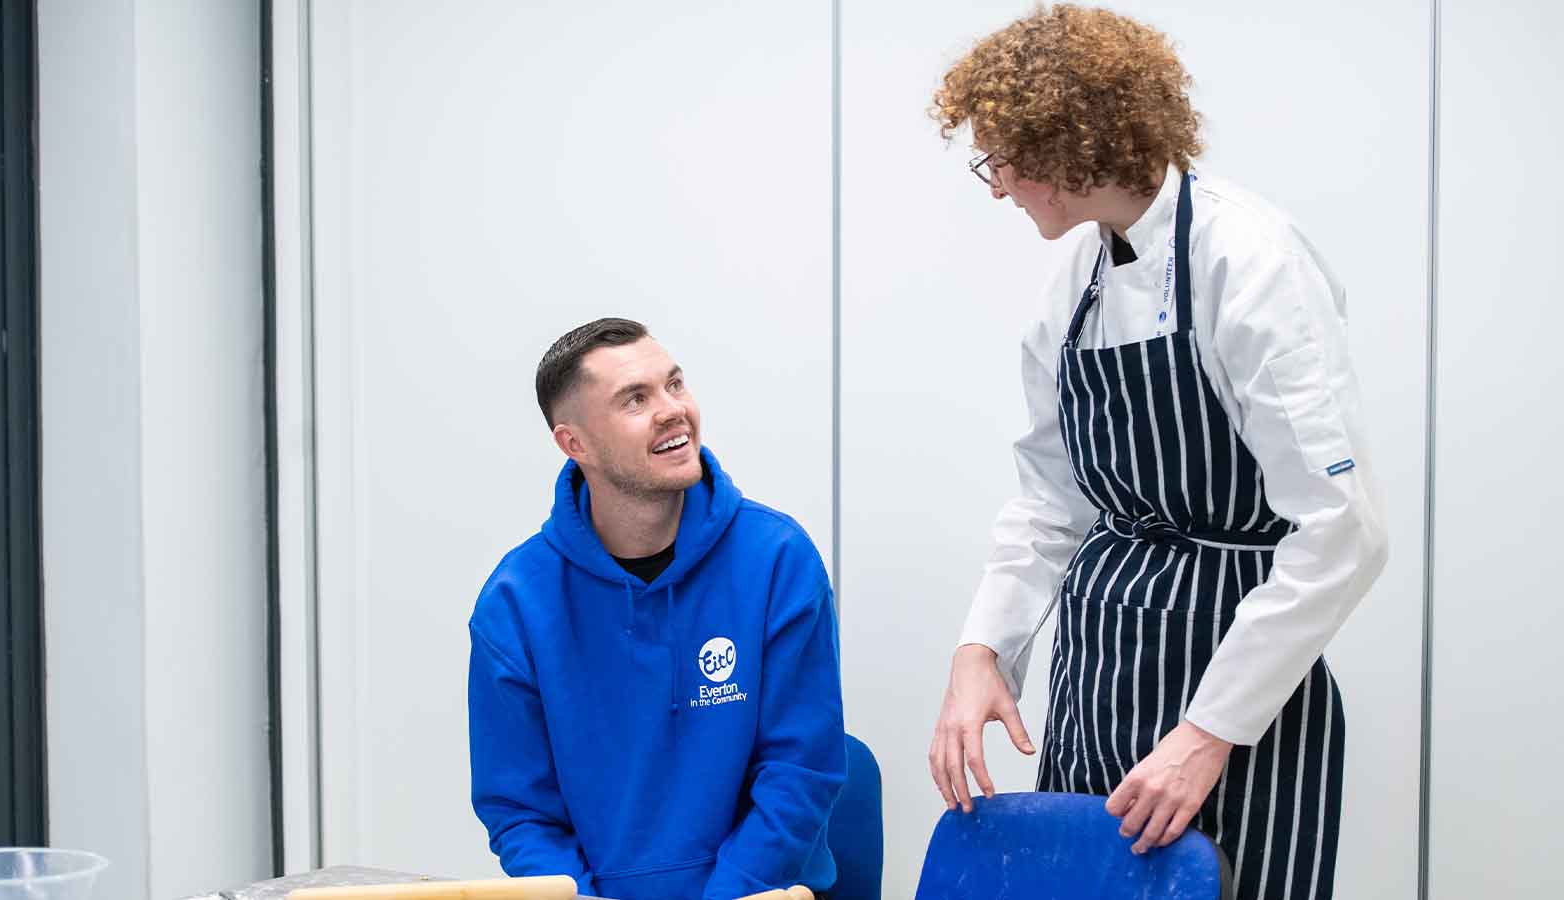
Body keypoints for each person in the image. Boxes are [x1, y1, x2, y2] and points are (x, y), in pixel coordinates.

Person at [925, 6, 1388, 899]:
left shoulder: (1249, 261)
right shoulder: (1077, 280)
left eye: (1002, 159)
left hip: (1238, 686)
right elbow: (1051, 500)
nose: (998, 188)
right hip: (1101, 670)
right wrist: (981, 650)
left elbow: (1344, 528)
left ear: (1069, 145)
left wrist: (1209, 732)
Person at [468, 318, 845, 900]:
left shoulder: (777, 559)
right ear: (575, 444)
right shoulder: (515, 603)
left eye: (674, 384)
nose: (673, 410)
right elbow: (521, 811)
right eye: (635, 399)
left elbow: (800, 772)